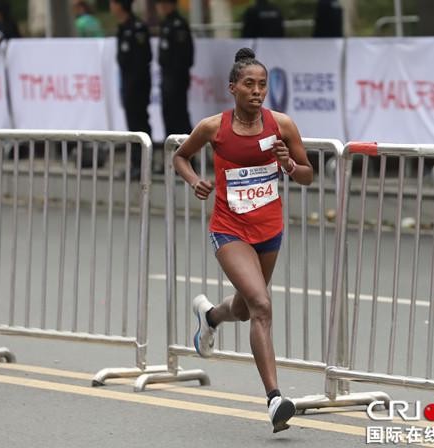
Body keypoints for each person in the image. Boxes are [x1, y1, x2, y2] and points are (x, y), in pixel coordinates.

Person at [172, 48, 313, 433]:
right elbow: (180, 157)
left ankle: (210, 316)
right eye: (249, 84)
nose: (257, 91)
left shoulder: (281, 125)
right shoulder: (212, 127)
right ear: (232, 88)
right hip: (229, 228)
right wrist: (194, 181)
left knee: (247, 307)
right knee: (261, 305)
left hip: (269, 228)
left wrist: (288, 164)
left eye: (262, 85)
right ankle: (275, 399)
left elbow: (307, 175)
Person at [110, 0, 152, 180]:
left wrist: (134, 85)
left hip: (138, 85)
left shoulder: (137, 28)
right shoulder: (123, 28)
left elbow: (143, 59)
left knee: (139, 123)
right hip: (128, 83)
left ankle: (144, 164)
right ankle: (136, 164)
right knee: (133, 125)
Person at [155, 0, 193, 137]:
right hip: (167, 77)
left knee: (179, 115)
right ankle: (171, 147)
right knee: (168, 114)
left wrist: (176, 78)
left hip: (177, 78)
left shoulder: (179, 25)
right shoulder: (166, 23)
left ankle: (188, 147)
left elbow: (185, 55)